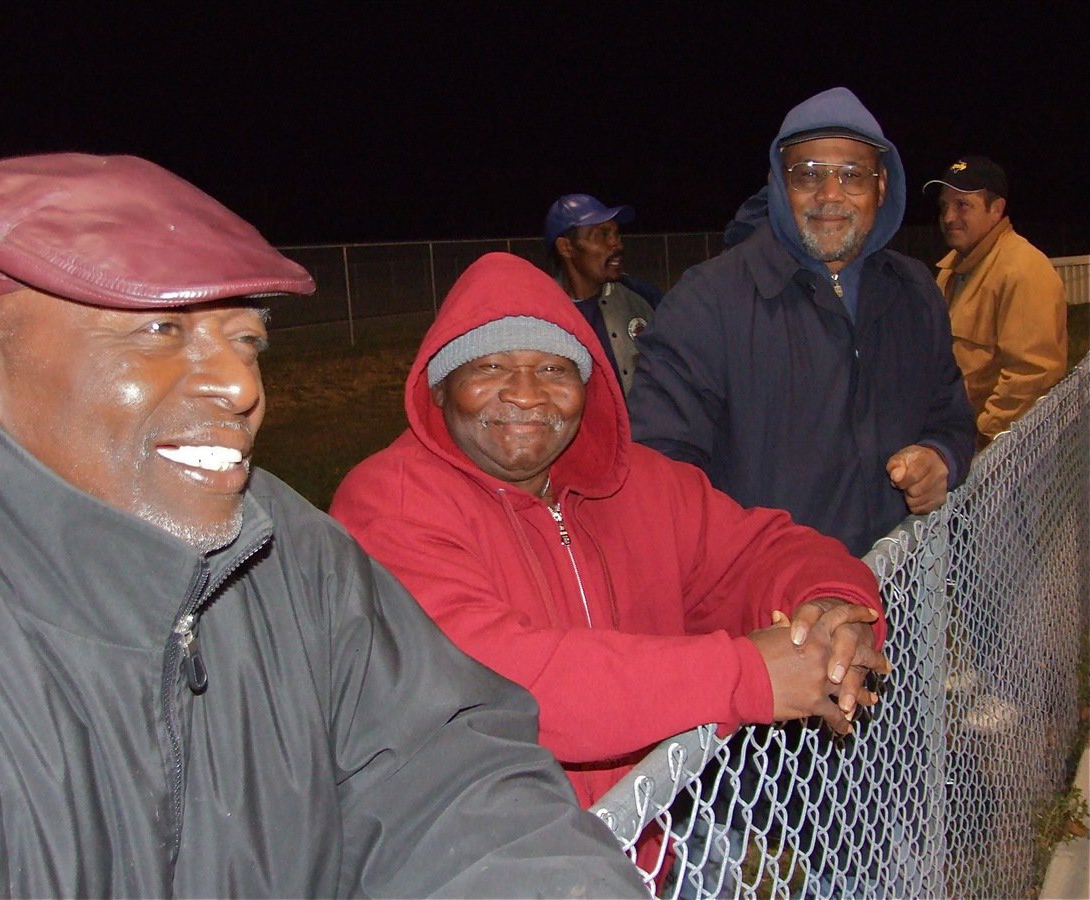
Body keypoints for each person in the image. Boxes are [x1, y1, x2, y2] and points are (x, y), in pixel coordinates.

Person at [0, 154, 649, 898]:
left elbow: (446, 773)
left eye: (247, 339)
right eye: (160, 331)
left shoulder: (285, 547)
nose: (241, 384)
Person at [330, 251, 890, 824]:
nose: (526, 393)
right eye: (490, 367)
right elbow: (501, 683)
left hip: (650, 835)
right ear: (441, 389)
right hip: (483, 860)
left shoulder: (639, 483)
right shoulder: (389, 503)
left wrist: (830, 607)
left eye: (554, 369)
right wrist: (746, 675)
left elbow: (760, 550)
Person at [628, 87, 976, 557]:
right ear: (779, 183)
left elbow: (951, 415)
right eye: (807, 174)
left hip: (903, 588)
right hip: (777, 613)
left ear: (880, 186)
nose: (830, 194)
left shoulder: (914, 290)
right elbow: (659, 468)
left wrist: (943, 458)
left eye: (852, 174)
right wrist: (766, 571)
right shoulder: (707, 301)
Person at [925, 155, 1068, 448]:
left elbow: (1032, 376)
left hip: (1001, 461)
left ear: (996, 209)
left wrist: (982, 442)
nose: (949, 217)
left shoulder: (1023, 270)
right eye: (944, 206)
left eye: (963, 205)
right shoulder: (951, 272)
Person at [544, 193, 658, 395]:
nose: (617, 244)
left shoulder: (641, 297)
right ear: (566, 247)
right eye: (603, 235)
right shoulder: (541, 313)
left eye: (617, 235)